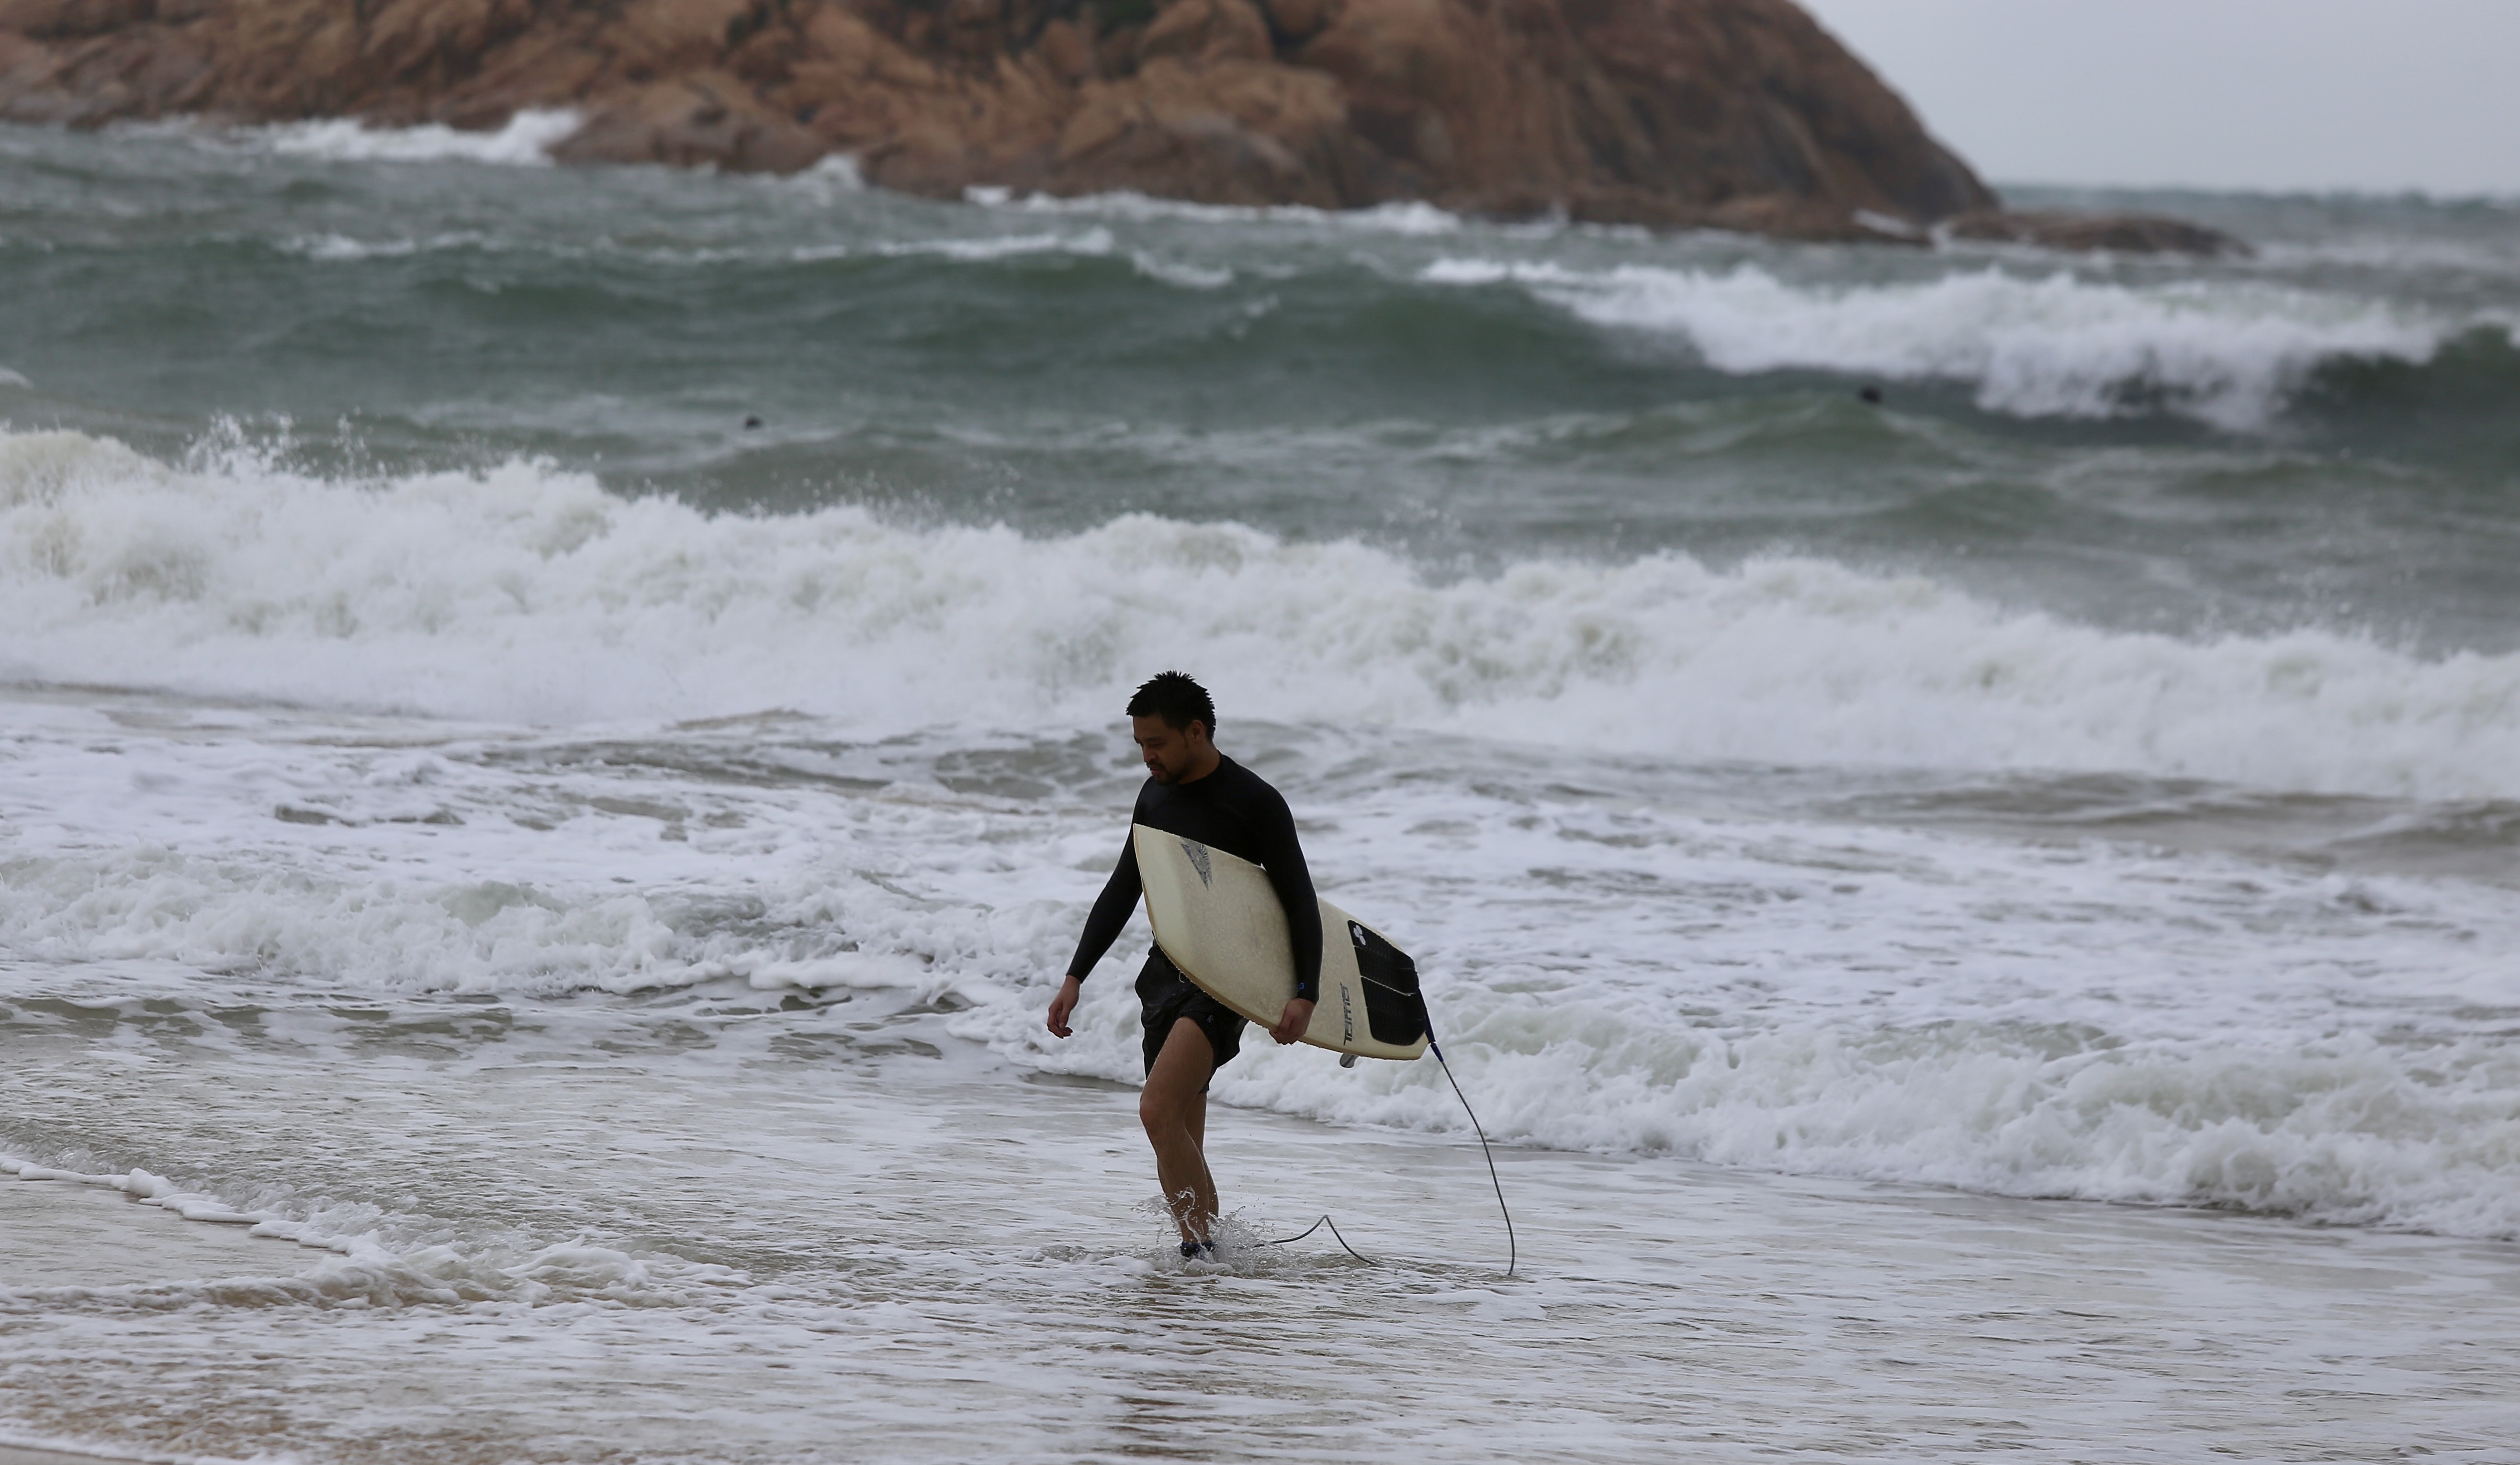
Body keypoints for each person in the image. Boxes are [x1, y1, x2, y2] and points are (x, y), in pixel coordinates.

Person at [1045, 671, 1319, 1259]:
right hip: (1165, 975)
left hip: (1225, 981)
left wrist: (1304, 993)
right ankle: (1207, 1270)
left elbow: (1299, 900)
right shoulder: (1153, 797)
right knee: (1179, 1132)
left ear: (1195, 732)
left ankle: (1204, 1252)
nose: (1147, 756)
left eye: (1157, 743)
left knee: (1155, 1108)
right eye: (1140, 744)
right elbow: (1124, 886)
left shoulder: (1255, 803)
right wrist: (1075, 976)